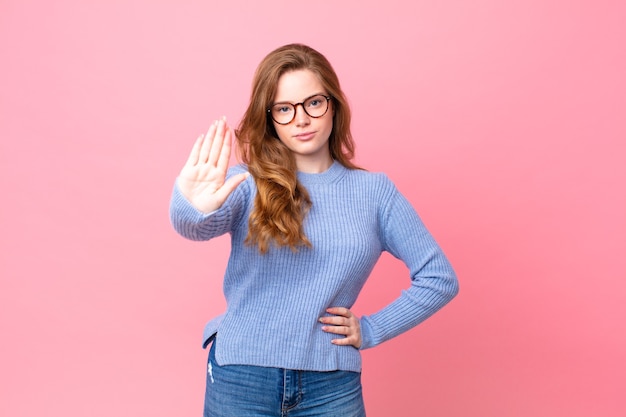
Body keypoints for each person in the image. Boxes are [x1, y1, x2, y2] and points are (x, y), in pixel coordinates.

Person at [169, 43, 459, 417]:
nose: (301, 120)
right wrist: (189, 202)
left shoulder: (375, 193)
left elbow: (439, 278)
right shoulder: (247, 183)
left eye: (313, 103)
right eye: (284, 110)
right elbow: (195, 227)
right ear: (270, 117)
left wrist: (370, 329)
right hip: (242, 375)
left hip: (331, 384)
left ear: (333, 105)